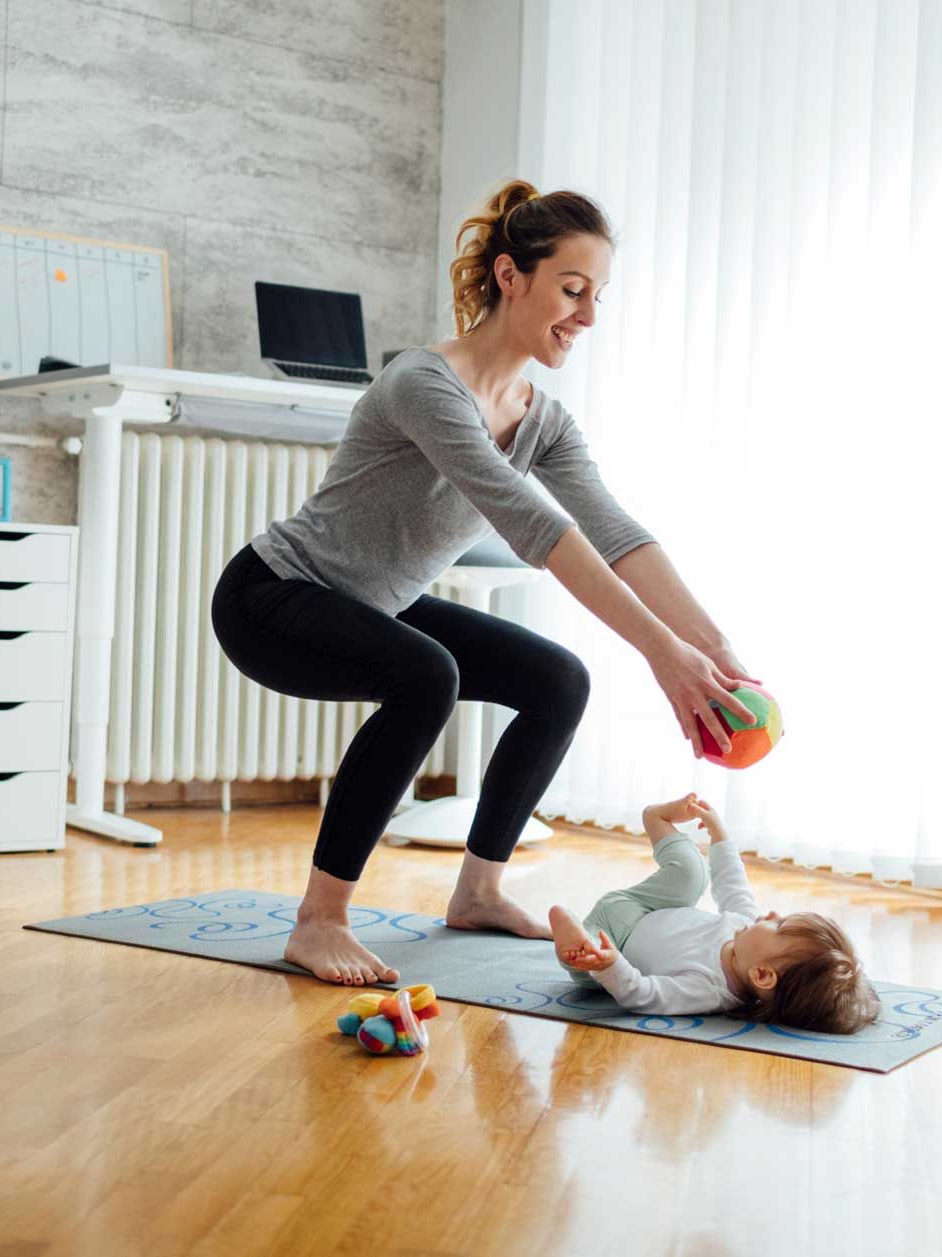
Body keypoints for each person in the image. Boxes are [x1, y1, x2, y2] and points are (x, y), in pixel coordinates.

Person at [211, 179, 761, 987]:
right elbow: (532, 525)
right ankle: (318, 919)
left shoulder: (543, 419)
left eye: (596, 295)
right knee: (425, 673)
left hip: (373, 599)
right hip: (272, 597)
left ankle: (478, 891)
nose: (587, 315)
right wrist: (659, 653)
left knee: (555, 680)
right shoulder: (424, 385)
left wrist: (711, 648)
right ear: (510, 276)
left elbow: (614, 534)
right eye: (572, 290)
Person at [549, 793, 881, 1032]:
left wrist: (610, 965)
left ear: (762, 975)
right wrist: (720, 835)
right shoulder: (743, 927)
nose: (771, 914)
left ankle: (579, 944)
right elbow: (732, 884)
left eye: (778, 927)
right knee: (693, 877)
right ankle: (657, 817)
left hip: (613, 942)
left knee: (586, 969)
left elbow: (643, 995)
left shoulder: (706, 989)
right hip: (644, 905)